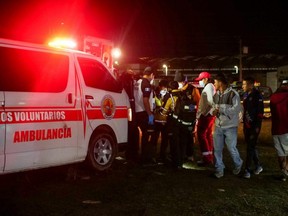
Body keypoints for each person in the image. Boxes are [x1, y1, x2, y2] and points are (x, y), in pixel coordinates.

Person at [212, 73, 243, 178]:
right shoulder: (216, 95)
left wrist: (221, 110)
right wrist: (213, 111)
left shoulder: (233, 94)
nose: (214, 84)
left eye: (215, 82)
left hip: (230, 127)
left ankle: (238, 163)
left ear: (220, 83)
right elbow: (213, 107)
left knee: (231, 148)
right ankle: (219, 169)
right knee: (217, 149)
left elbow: (236, 109)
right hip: (218, 126)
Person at [242, 77, 264, 179]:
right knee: (251, 146)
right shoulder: (246, 95)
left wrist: (257, 126)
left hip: (254, 126)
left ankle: (247, 170)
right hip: (247, 125)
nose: (242, 86)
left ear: (250, 85)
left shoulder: (257, 95)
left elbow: (260, 113)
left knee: (250, 147)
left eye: (244, 84)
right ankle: (258, 166)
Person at [134, 66, 155, 165]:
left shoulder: (138, 82)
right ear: (151, 75)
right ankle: (145, 158)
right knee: (147, 136)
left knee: (143, 136)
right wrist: (150, 114)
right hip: (144, 112)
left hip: (138, 112)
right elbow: (145, 100)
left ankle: (141, 157)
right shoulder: (146, 83)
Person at [195, 72, 216, 166]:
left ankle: (206, 158)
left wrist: (204, 113)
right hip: (209, 115)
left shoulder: (208, 87)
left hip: (206, 115)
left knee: (201, 135)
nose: (199, 82)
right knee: (207, 135)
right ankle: (209, 156)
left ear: (206, 79)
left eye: (200, 80)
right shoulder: (211, 87)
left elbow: (210, 101)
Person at [270, 80, 288, 181]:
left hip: (276, 128)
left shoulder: (274, 97)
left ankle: (283, 172)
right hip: (286, 128)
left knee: (280, 152)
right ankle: (286, 171)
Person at [161, 81, 181, 168]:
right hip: (181, 121)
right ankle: (179, 159)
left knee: (167, 140)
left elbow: (164, 110)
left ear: (170, 88)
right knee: (179, 141)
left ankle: (166, 158)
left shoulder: (169, 97)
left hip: (171, 121)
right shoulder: (183, 95)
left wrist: (163, 120)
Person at [152, 79, 171, 163]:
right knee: (161, 139)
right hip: (162, 120)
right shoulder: (168, 95)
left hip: (159, 120)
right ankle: (159, 155)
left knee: (160, 139)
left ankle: (159, 156)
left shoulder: (156, 94)